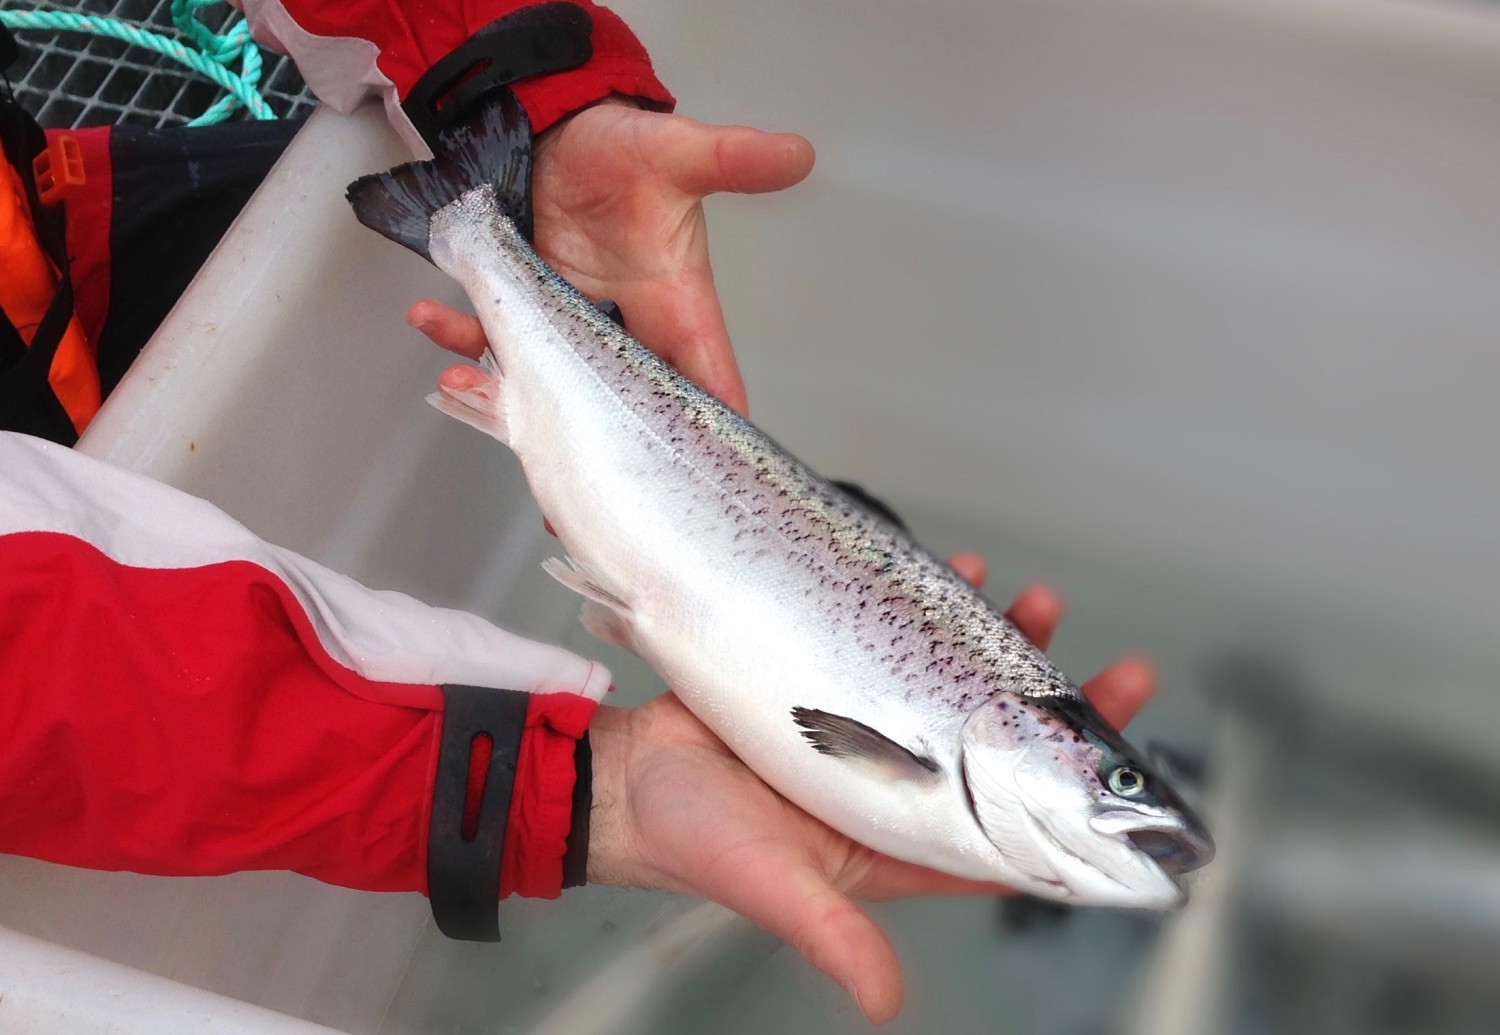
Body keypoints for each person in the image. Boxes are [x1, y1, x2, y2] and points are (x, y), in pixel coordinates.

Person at [0, 2, 1158, 1023]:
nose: (1133, 810)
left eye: (1119, 787)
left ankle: (485, 219)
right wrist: (567, 789)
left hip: (42, 240)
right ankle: (479, 234)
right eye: (1118, 783)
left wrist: (507, 76)